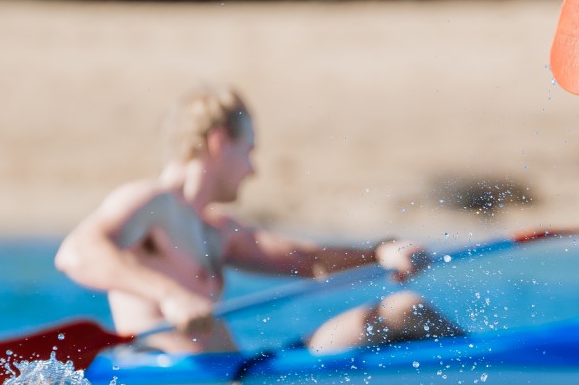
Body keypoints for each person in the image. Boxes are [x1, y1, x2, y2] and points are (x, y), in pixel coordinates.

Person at [55, 84, 462, 355]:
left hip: (243, 377)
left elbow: (309, 261)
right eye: (248, 149)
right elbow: (76, 254)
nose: (253, 170)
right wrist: (169, 295)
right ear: (218, 142)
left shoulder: (217, 231)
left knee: (405, 309)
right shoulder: (149, 202)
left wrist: (381, 254)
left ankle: (493, 371)